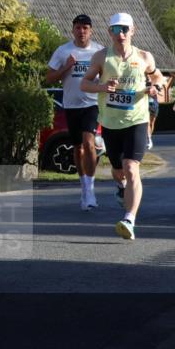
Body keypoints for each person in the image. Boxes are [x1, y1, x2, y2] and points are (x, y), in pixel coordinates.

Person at [81, 12, 164, 241]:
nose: (121, 34)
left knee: (131, 166)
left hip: (137, 120)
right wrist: (102, 87)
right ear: (110, 32)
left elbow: (158, 77)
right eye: (116, 29)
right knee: (118, 170)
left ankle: (129, 219)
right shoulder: (101, 57)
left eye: (125, 29)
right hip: (110, 122)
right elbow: (84, 84)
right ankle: (121, 187)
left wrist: (155, 86)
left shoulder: (144, 56)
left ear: (133, 30)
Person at [46, 14, 104, 211]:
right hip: (71, 106)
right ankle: (84, 185)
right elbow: (49, 78)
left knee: (89, 143)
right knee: (78, 148)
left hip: (92, 104)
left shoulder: (99, 51)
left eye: (85, 28)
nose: (81, 31)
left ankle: (91, 189)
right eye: (78, 28)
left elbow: (108, 74)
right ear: (73, 30)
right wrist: (66, 67)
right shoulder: (63, 51)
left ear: (91, 31)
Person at [147, 85, 159, 151]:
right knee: (148, 123)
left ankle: (150, 136)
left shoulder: (155, 86)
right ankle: (149, 139)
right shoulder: (144, 85)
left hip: (154, 107)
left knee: (152, 123)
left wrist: (155, 91)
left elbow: (158, 91)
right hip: (147, 106)